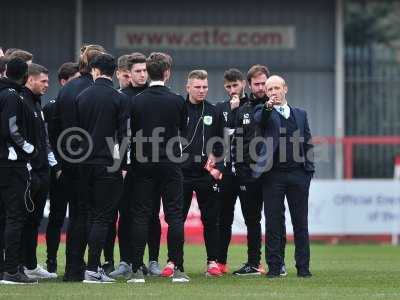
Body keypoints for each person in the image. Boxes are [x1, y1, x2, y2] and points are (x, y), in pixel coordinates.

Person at [128, 52, 189, 283]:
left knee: (141, 215)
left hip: (143, 163)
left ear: (149, 73)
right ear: (167, 73)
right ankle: (178, 269)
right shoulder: (177, 101)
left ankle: (136, 270)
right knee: (174, 216)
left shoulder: (136, 101)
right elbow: (183, 132)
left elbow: (131, 133)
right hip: (170, 163)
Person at [52, 44, 105, 282]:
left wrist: (62, 161)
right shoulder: (95, 90)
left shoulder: (67, 89)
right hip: (93, 161)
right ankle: (88, 267)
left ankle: (73, 266)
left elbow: (55, 128)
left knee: (76, 216)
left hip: (70, 161)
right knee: (92, 216)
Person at [253, 75, 314, 278]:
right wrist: (268, 106)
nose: (273, 92)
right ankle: (275, 267)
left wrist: (308, 172)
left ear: (285, 89)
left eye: (276, 88)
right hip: (273, 176)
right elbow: (259, 119)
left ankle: (303, 268)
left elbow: (308, 143)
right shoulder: (263, 112)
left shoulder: (301, 114)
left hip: (298, 175)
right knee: (273, 222)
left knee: (301, 223)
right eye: (269, 90)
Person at [76, 53, 126, 283]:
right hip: (107, 164)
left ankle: (83, 266)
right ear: (113, 72)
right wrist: (121, 165)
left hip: (84, 164)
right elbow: (124, 136)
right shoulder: (119, 98)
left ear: (95, 71)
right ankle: (93, 269)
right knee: (103, 218)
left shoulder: (82, 96)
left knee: (89, 215)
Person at [180, 70, 223, 277]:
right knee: (176, 220)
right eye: (197, 87)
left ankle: (212, 262)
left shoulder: (213, 112)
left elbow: (223, 143)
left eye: (205, 87)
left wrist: (217, 158)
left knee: (211, 220)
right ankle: (174, 262)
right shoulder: (178, 109)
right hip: (181, 173)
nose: (202, 90)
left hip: (206, 174)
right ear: (188, 88)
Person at [0, 58, 39, 284]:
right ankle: (12, 270)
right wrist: (30, 148)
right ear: (25, 76)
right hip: (12, 165)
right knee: (16, 218)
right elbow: (12, 129)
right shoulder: (13, 97)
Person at [20, 64, 59, 280]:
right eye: (43, 81)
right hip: (29, 171)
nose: (47, 85)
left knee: (33, 221)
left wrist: (52, 164)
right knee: (23, 220)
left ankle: (30, 264)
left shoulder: (36, 102)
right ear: (30, 80)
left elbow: (44, 140)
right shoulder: (22, 102)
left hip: (42, 170)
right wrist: (29, 163)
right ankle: (17, 265)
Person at [43, 62, 79, 274]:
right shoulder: (51, 107)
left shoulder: (81, 103)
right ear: (63, 82)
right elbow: (46, 141)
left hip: (77, 169)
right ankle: (51, 262)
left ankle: (74, 263)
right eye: (73, 81)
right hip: (59, 171)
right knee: (57, 218)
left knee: (77, 217)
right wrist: (56, 166)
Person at [215, 68, 248, 273]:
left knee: (251, 218)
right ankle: (220, 262)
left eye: (235, 85)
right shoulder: (221, 108)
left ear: (243, 83)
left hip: (246, 171)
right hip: (226, 172)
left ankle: (254, 261)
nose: (232, 90)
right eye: (228, 86)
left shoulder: (253, 106)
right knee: (224, 218)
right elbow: (220, 138)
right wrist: (217, 165)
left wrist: (237, 111)